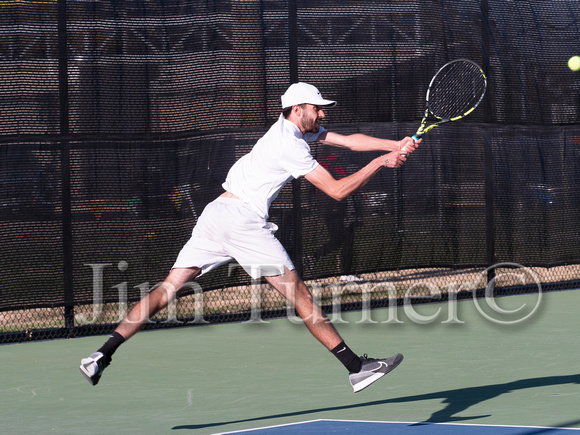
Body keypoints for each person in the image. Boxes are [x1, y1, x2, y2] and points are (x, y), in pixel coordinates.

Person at [80, 82, 419, 393]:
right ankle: (356, 367)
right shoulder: (291, 145)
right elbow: (336, 190)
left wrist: (396, 143)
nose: (323, 112)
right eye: (317, 108)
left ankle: (102, 354)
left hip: (215, 216)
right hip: (242, 222)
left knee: (167, 289)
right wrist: (380, 163)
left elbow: (346, 140)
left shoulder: (287, 130)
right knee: (301, 297)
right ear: (298, 109)